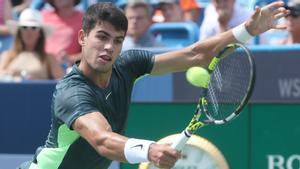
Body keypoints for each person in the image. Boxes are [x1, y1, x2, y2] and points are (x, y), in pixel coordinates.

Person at [18, 1, 289, 169]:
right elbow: (102, 139)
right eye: (101, 37)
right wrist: (150, 149)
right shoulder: (72, 92)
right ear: (82, 37)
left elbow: (195, 54)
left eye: (118, 40)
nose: (109, 47)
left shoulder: (127, 64)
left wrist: (248, 30)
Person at [0, 8, 64, 81]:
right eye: (24, 27)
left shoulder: (49, 58)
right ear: (19, 32)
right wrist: (12, 77)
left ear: (40, 33)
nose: (29, 31)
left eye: (34, 28)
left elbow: (62, 83)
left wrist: (37, 81)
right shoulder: (7, 55)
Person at [41, 0, 83, 66]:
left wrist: (70, 59)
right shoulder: (43, 16)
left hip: (68, 69)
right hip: (43, 66)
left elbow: (90, 52)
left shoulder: (84, 19)